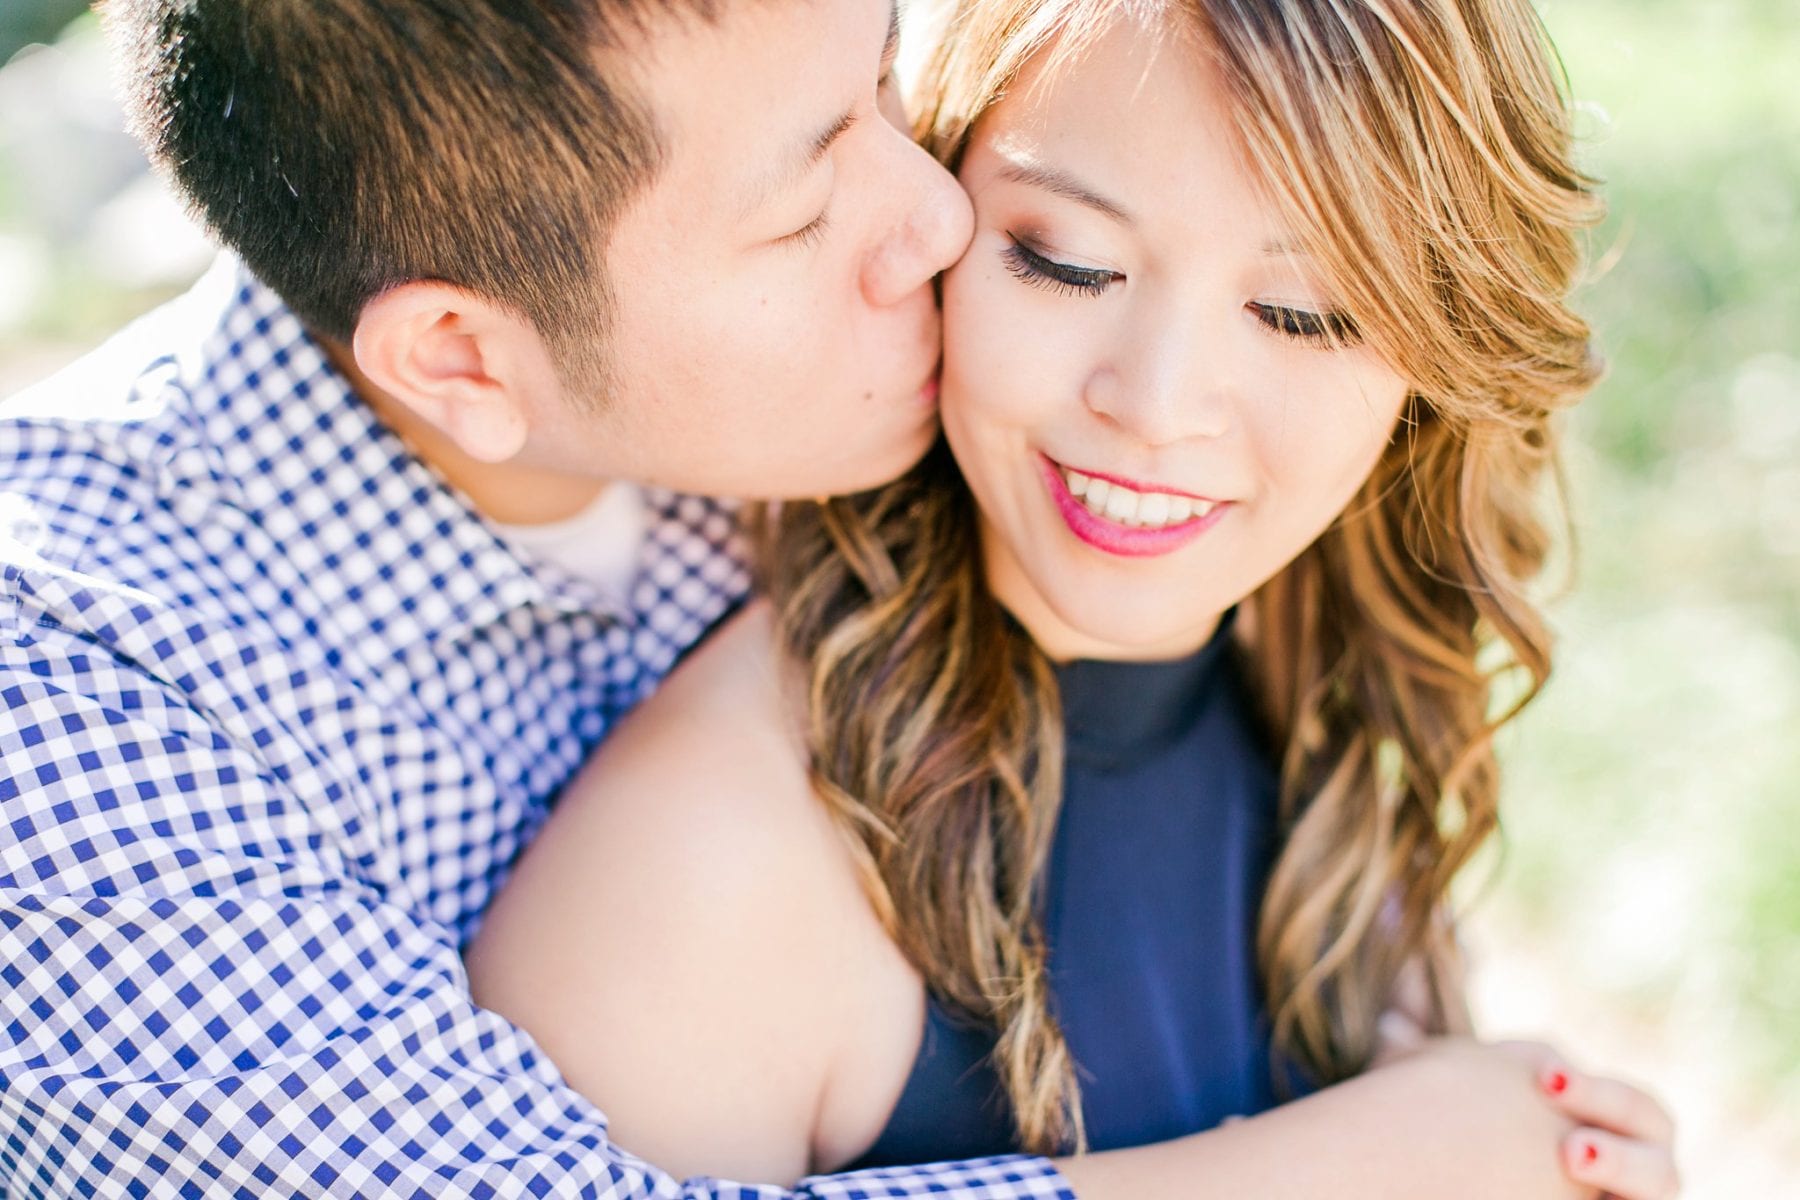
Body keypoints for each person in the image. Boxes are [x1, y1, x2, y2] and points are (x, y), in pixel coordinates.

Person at [466, 1, 1680, 1198]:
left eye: (1303, 312)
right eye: (1067, 264)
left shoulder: (1319, 662)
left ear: (1438, 356)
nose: (1155, 405)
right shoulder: (703, 872)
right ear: (938, 209)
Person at [0, 1, 1115, 1196]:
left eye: (888, 69)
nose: (943, 217)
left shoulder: (825, 364)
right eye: (803, 218)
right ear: (460, 360)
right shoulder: (74, 710)